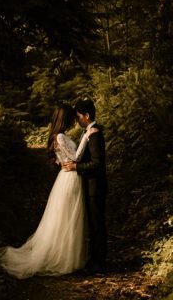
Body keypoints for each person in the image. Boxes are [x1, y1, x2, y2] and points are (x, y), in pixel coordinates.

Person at [0, 104, 98, 278]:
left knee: (68, 218)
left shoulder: (59, 136)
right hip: (70, 179)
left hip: (68, 177)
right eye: (71, 117)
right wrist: (86, 138)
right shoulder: (60, 136)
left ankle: (70, 256)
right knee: (68, 219)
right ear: (64, 118)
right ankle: (65, 259)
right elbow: (75, 157)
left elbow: (64, 159)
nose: (75, 120)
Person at [61, 99, 107, 274]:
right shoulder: (89, 132)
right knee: (93, 224)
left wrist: (76, 167)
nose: (77, 120)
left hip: (96, 186)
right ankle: (94, 260)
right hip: (90, 186)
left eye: (79, 116)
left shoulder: (95, 134)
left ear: (87, 116)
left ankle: (99, 264)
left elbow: (97, 164)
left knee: (97, 225)